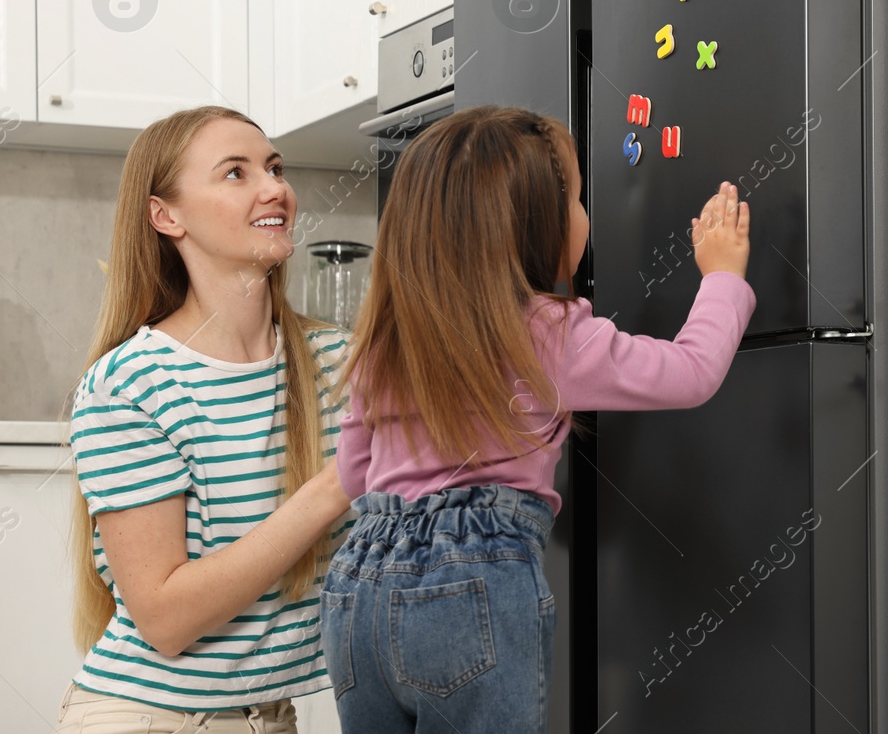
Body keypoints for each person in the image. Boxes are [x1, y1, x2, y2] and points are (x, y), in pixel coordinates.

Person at [323, 105, 754, 733]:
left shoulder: (387, 339)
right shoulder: (547, 332)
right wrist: (721, 277)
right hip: (472, 587)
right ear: (538, 222)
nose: (585, 216)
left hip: (356, 589)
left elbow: (355, 474)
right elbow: (690, 372)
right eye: (578, 200)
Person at [58, 105, 353, 733]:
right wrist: (335, 485)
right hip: (151, 719)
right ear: (167, 216)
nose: (275, 187)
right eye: (235, 173)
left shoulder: (337, 362)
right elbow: (165, 619)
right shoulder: (132, 385)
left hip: (270, 717)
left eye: (275, 167)